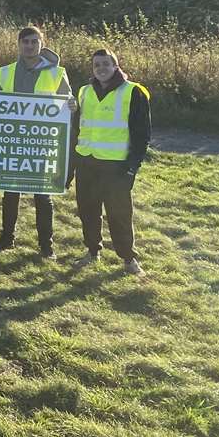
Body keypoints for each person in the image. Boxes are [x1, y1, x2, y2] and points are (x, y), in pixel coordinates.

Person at [0, 25, 71, 258]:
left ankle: (46, 246)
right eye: (26, 42)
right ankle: (6, 238)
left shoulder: (57, 73)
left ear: (42, 44)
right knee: (10, 193)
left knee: (43, 197)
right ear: (19, 44)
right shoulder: (4, 72)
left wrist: (72, 104)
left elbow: (67, 104)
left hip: (42, 145)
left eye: (34, 42)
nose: (30, 46)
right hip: (13, 144)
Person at [71, 49, 151, 275]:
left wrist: (132, 166)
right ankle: (92, 252)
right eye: (96, 65)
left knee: (119, 214)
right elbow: (77, 127)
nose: (101, 69)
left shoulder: (133, 92)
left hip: (116, 166)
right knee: (87, 210)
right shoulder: (84, 92)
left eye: (106, 64)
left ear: (116, 66)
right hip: (87, 162)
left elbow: (141, 134)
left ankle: (128, 258)